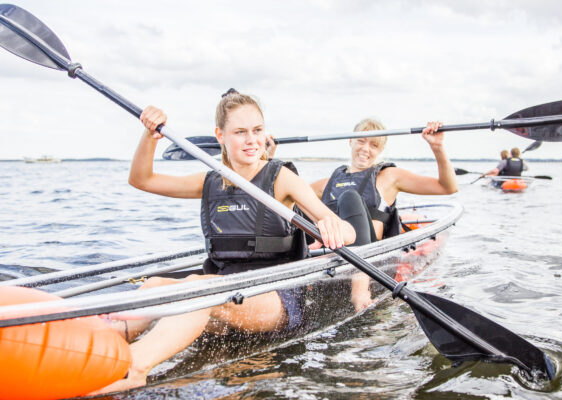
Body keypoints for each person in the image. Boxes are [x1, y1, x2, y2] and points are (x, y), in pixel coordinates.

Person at [94, 89, 356, 394]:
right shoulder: (209, 181)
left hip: (276, 298)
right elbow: (142, 180)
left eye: (257, 131)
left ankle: (135, 367)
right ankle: (109, 339)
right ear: (220, 135)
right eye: (240, 132)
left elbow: (346, 232)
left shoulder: (280, 177)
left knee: (199, 289)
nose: (252, 140)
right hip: (224, 288)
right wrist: (149, 136)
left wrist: (332, 225)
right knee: (155, 285)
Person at [302, 118, 457, 310]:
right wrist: (266, 156)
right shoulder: (329, 182)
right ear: (350, 141)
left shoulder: (389, 176)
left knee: (349, 198)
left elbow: (447, 187)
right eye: (361, 141)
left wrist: (438, 147)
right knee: (301, 205)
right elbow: (285, 196)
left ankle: (360, 289)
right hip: (330, 257)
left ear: (381, 150)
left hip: (370, 260)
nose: (366, 149)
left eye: (374, 145)